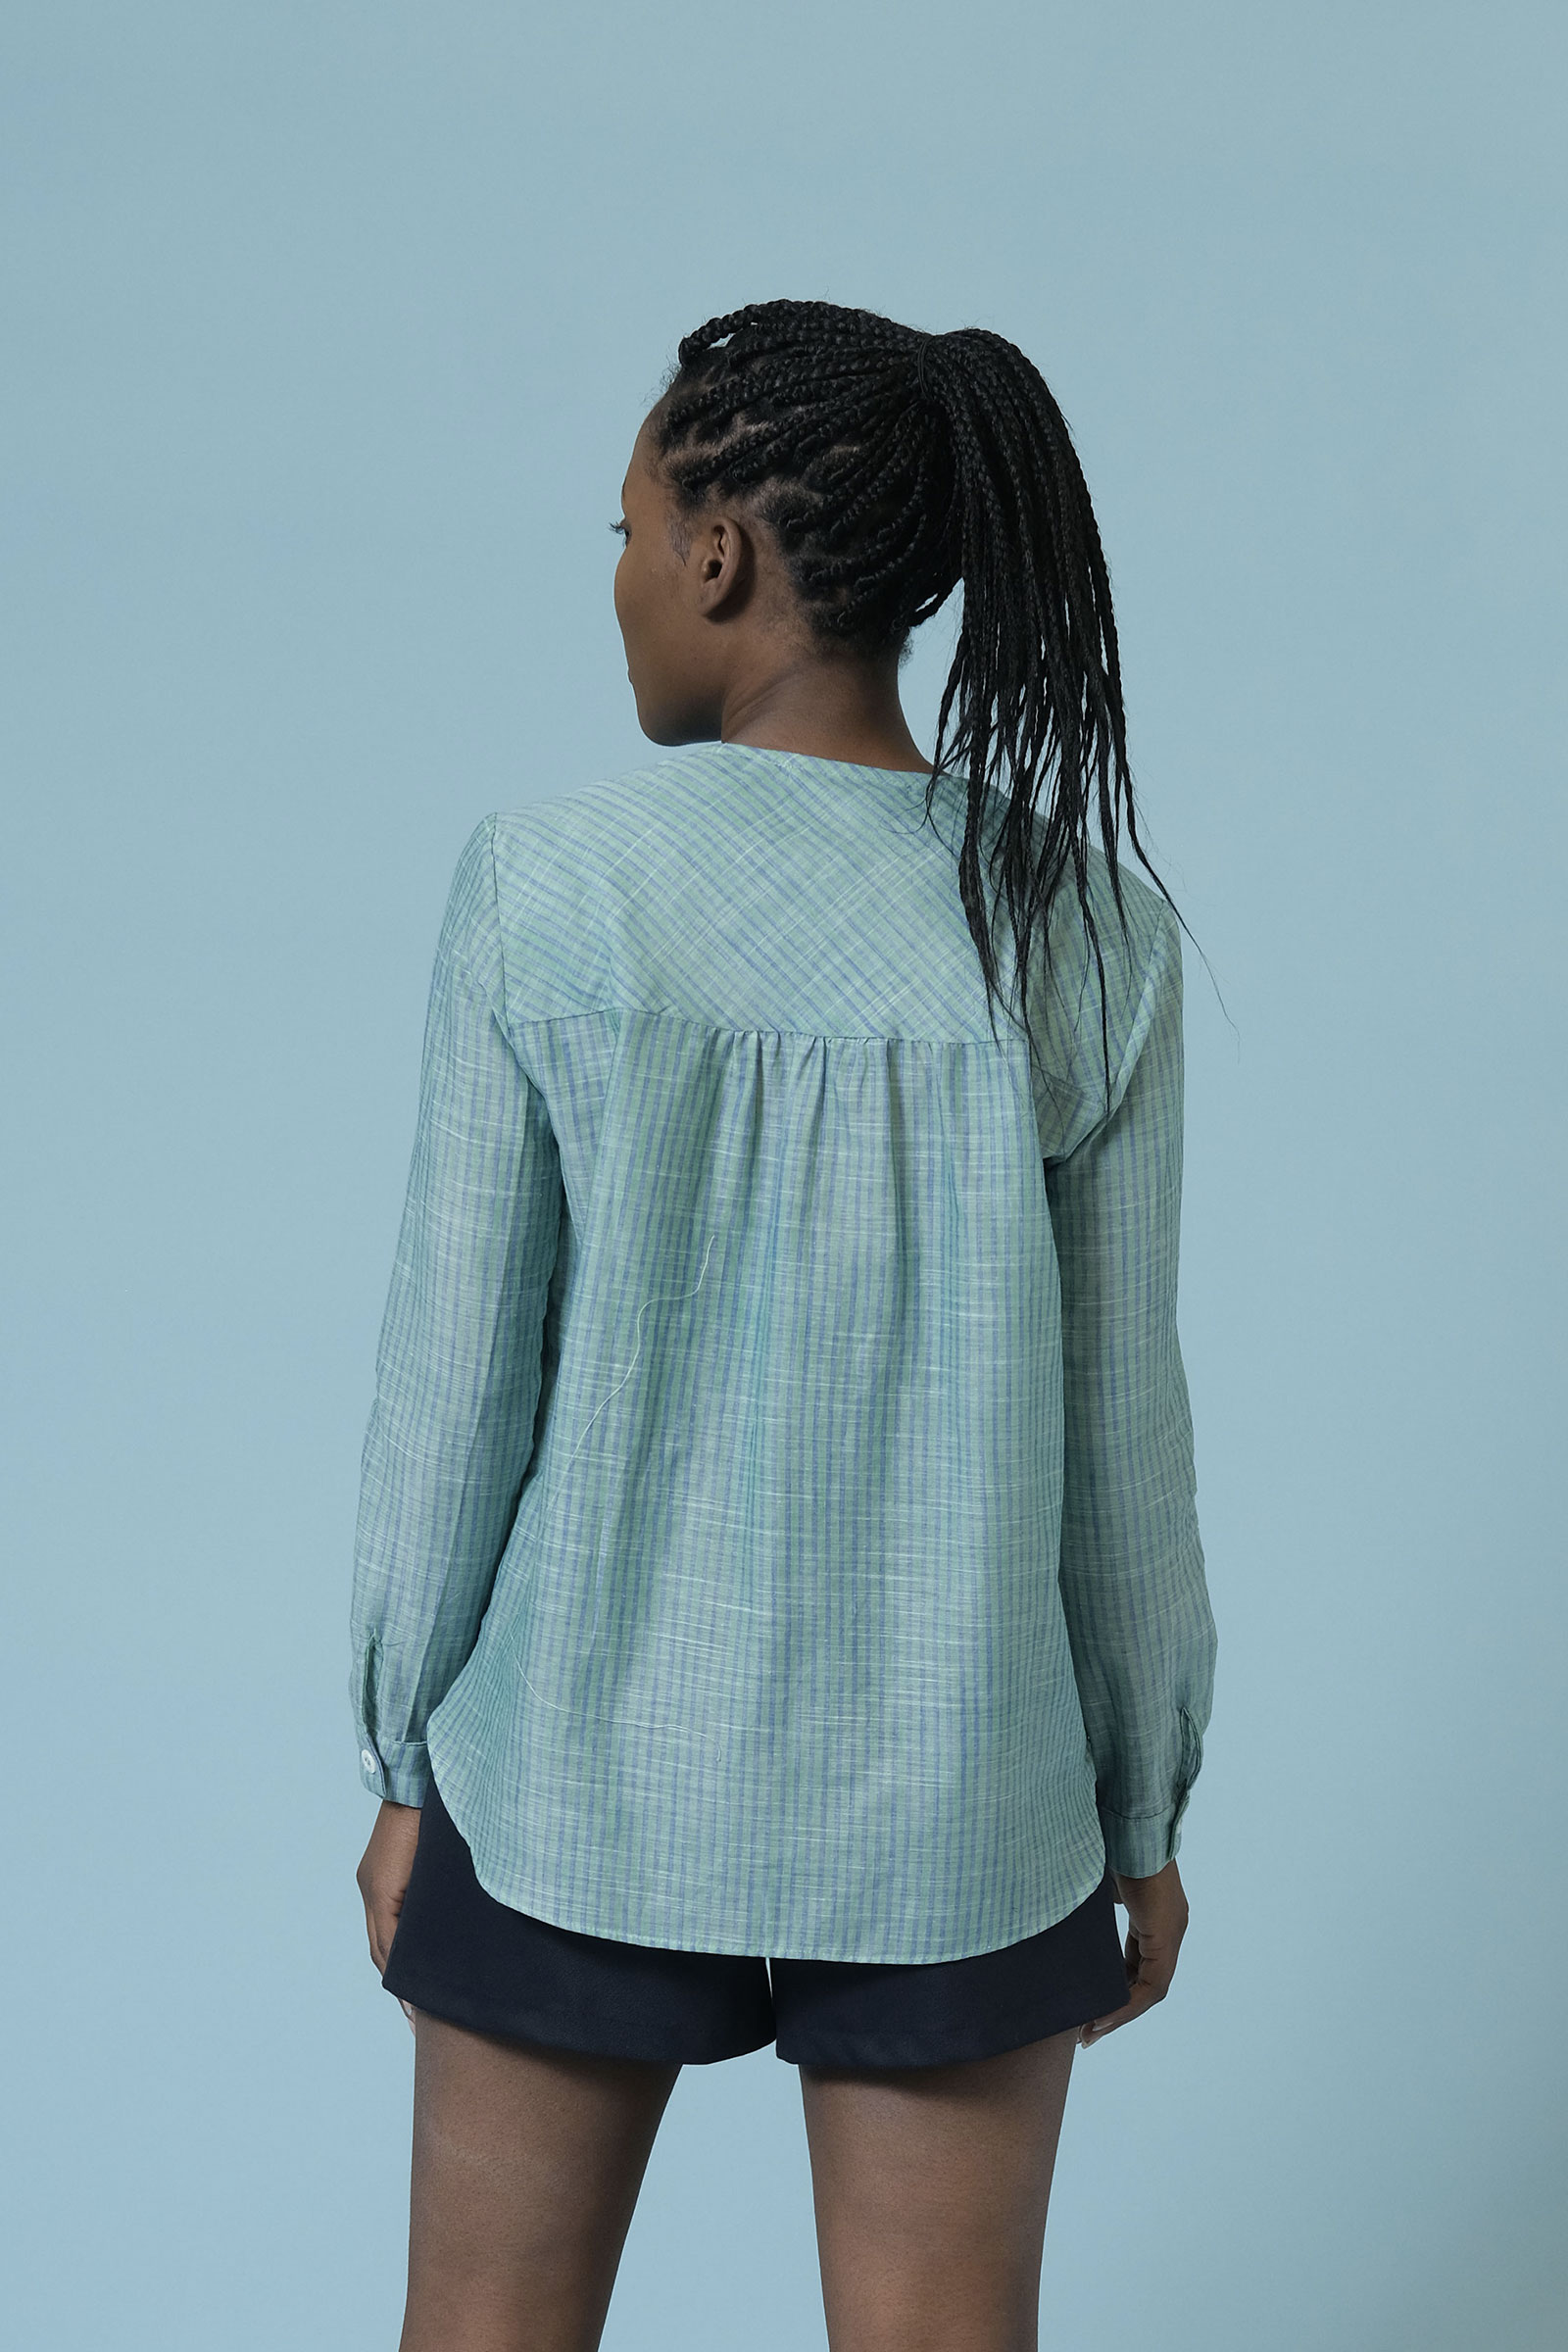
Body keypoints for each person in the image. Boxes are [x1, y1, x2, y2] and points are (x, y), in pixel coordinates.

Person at [351, 298, 1218, 2352]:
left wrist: (401, 1757)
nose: (624, 579)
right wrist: (1139, 1810)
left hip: (571, 1775)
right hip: (963, 1802)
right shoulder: (1082, 928)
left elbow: (454, 1392)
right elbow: (1122, 1449)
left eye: (629, 533)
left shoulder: (550, 887)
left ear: (720, 557)